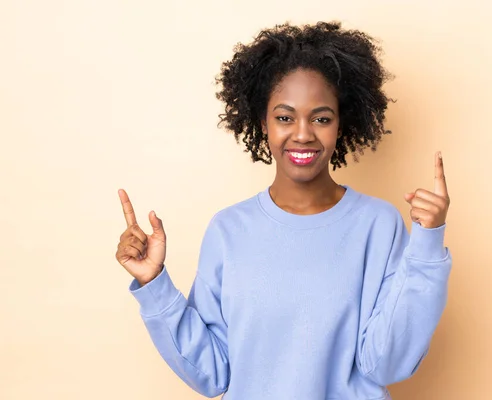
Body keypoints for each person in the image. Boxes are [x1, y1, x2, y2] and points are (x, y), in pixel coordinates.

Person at [115, 21, 452, 400]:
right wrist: (154, 284)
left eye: (321, 118)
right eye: (285, 117)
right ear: (263, 123)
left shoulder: (378, 225)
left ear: (341, 124)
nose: (303, 133)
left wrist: (426, 245)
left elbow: (386, 363)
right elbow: (212, 373)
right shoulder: (229, 230)